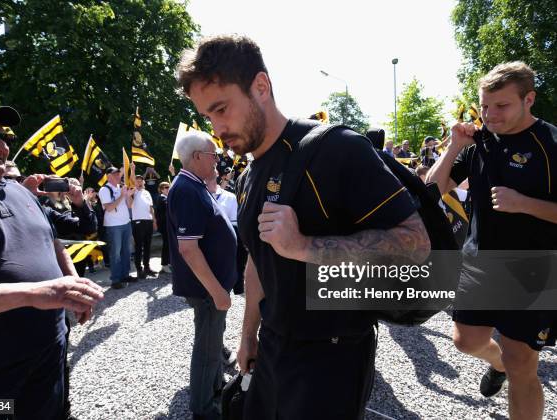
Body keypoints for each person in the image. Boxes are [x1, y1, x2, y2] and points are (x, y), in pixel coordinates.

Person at [177, 35, 430, 420]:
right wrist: (248, 337)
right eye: (209, 116)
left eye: (222, 109)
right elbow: (258, 261)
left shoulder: (337, 148)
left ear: (260, 86)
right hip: (273, 349)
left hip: (332, 357)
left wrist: (304, 246)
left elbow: (416, 243)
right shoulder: (249, 175)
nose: (217, 127)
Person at [0, 97, 103, 420]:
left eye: (6, 138)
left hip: (48, 369)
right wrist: (33, 294)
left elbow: (50, 240)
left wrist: (70, 281)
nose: (3, 147)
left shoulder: (16, 191)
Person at [426, 61, 557, 420]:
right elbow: (431, 192)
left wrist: (525, 205)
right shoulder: (479, 142)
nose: (489, 114)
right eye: (485, 105)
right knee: (464, 341)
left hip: (535, 268)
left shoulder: (550, 143)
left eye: (501, 106)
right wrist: (453, 147)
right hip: (479, 262)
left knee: (522, 365)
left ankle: (510, 368)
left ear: (528, 99)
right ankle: (497, 364)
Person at [167, 131, 237, 420]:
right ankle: (204, 408)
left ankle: (215, 386)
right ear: (197, 157)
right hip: (207, 289)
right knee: (207, 349)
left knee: (212, 340)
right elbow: (189, 249)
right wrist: (218, 291)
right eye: (213, 155)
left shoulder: (193, 186)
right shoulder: (186, 189)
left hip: (211, 286)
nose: (218, 161)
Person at [98, 166, 134, 289]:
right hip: (114, 226)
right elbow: (109, 208)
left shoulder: (121, 187)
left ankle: (125, 275)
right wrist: (122, 196)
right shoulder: (104, 189)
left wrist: (128, 195)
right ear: (108, 176)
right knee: (115, 253)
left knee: (126, 251)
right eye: (115, 174)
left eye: (119, 174)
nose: (119, 176)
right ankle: (115, 279)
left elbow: (129, 205)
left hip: (125, 223)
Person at [131, 174, 158, 279]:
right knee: (138, 247)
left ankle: (147, 267)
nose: (139, 182)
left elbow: (151, 208)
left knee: (148, 246)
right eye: (137, 180)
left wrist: (154, 220)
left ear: (144, 182)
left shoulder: (146, 192)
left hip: (148, 221)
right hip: (138, 221)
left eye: (141, 180)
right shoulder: (133, 191)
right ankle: (139, 269)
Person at [154, 181, 171, 273]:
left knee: (169, 244)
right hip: (164, 225)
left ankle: (168, 262)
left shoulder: (167, 198)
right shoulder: (161, 198)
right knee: (166, 244)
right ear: (161, 190)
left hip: (168, 225)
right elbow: (167, 205)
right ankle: (164, 264)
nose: (168, 189)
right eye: (166, 187)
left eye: (169, 187)